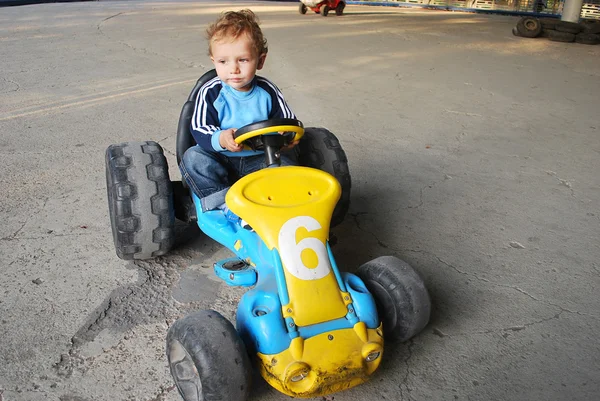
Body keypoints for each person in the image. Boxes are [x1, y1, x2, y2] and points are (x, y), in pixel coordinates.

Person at [180, 9, 298, 213]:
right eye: (223, 61)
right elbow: (199, 128)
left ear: (260, 61)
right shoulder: (210, 92)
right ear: (213, 61)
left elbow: (287, 121)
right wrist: (221, 138)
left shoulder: (268, 91)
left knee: (291, 169)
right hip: (221, 160)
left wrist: (287, 134)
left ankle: (278, 204)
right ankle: (225, 205)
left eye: (242, 60)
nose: (233, 69)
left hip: (262, 158)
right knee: (193, 158)